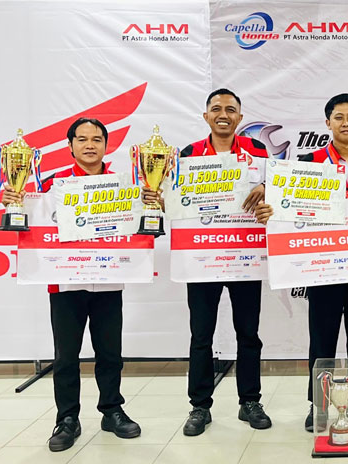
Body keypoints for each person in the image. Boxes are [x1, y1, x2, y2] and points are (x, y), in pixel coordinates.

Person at [254, 93, 348, 431]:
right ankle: (317, 404)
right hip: (323, 267)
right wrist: (271, 208)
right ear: (328, 123)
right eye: (339, 117)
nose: (345, 123)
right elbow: (285, 203)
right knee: (322, 338)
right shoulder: (309, 162)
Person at [1, 118, 141, 452]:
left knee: (110, 353)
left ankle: (112, 410)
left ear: (106, 144)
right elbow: (30, 224)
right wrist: (15, 202)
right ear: (70, 145)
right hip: (65, 284)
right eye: (82, 139)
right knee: (66, 357)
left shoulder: (124, 185)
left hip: (108, 282)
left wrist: (152, 204)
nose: (90, 145)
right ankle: (67, 419)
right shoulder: (52, 185)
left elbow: (140, 227)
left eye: (96, 139)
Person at [142, 88, 271, 436]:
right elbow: (177, 202)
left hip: (244, 255)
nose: (223, 114)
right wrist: (156, 198)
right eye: (216, 109)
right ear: (206, 116)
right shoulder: (188, 154)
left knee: (249, 333)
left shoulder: (258, 151)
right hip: (203, 257)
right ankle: (200, 406)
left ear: (240, 117)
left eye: (230, 109)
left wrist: (266, 189)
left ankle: (250, 401)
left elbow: (276, 191)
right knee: (201, 335)